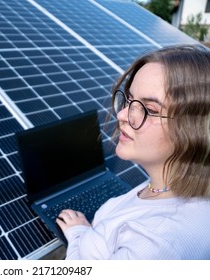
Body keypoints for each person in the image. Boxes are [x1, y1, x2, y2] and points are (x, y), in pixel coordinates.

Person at [56, 44, 210, 259]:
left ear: (199, 129)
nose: (123, 115)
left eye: (149, 109)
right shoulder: (169, 186)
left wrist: (79, 235)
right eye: (129, 100)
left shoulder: (155, 243)